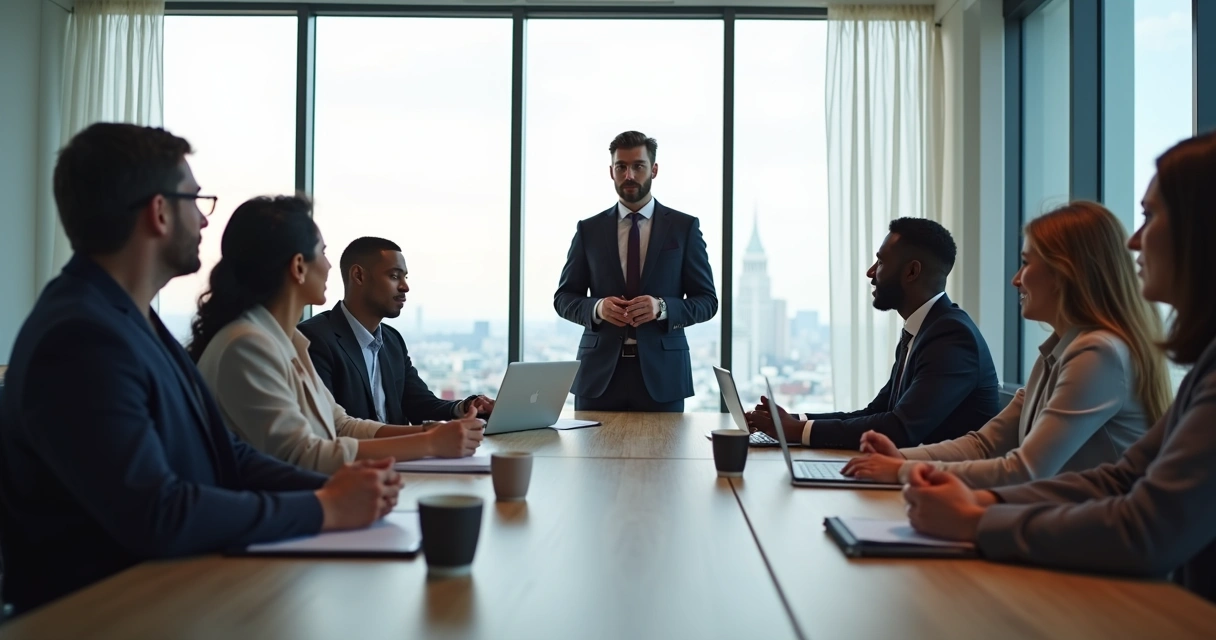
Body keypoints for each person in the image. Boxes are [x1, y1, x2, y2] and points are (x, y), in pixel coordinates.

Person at [0, 124, 400, 615]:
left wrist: (331, 489)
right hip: (106, 614)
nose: (206, 223)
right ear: (160, 211)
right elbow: (157, 511)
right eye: (196, 200)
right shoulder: (81, 337)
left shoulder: (130, 318)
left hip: (174, 590)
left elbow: (224, 453)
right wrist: (325, 508)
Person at [903, 132, 1216, 603]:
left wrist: (977, 517)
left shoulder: (1100, 352)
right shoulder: (1197, 363)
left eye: (1150, 216)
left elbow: (1145, 525)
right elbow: (1122, 480)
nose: (1134, 240)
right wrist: (980, 503)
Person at [842, 202, 1172, 487]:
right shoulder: (1058, 352)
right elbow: (984, 445)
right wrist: (899, 458)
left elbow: (1024, 470)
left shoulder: (1098, 354)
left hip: (1095, 547)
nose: (1016, 279)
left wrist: (903, 468)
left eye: (1026, 263)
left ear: (1064, 273)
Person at [191, 197, 484, 475]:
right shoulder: (248, 345)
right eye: (323, 252)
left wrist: (430, 432)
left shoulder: (289, 341)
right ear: (298, 267)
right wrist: (430, 443)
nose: (330, 266)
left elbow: (341, 425)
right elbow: (301, 455)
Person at [747, 218, 1000, 450]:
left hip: (945, 489)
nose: (870, 273)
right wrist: (791, 421)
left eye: (880, 262)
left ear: (911, 272)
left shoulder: (952, 336)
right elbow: (876, 412)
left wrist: (798, 431)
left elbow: (900, 429)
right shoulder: (921, 331)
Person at [554, 131, 718, 412]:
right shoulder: (588, 230)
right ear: (611, 171)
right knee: (591, 456)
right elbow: (564, 298)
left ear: (654, 170)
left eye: (638, 166)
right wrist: (598, 308)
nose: (629, 174)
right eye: (621, 167)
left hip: (663, 376)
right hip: (598, 376)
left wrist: (662, 307)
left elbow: (707, 301)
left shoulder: (683, 228)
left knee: (663, 457)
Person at [298, 236, 496, 424]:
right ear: (358, 276)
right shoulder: (314, 339)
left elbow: (420, 405)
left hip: (402, 456)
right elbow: (329, 427)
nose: (405, 287)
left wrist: (466, 407)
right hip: (356, 458)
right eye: (394, 276)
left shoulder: (392, 340)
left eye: (405, 277)